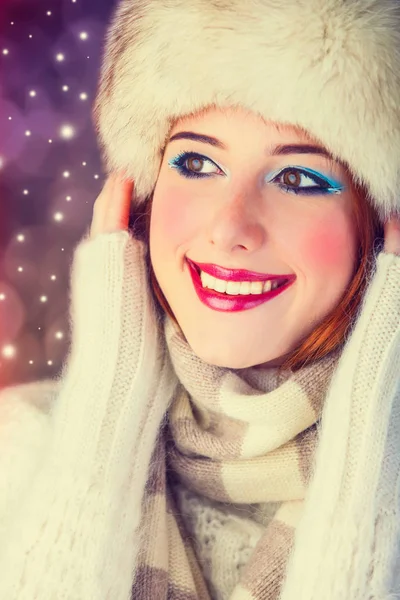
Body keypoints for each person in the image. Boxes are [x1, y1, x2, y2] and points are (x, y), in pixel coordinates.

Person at [0, 0, 399, 598]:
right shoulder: (20, 444)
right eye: (196, 162)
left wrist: (375, 446)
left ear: (382, 224)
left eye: (298, 178)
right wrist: (103, 415)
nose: (229, 226)